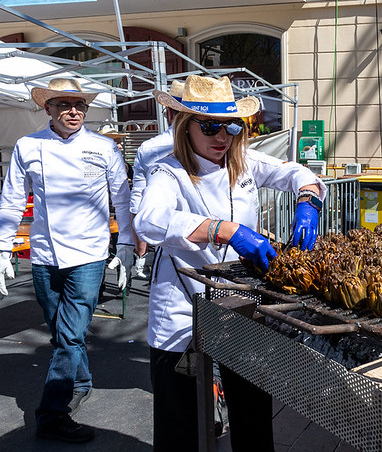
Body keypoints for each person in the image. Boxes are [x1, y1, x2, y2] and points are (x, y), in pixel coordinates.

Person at [133, 75, 326, 452]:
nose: (222, 136)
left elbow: (297, 172)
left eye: (232, 125)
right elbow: (148, 220)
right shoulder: (167, 171)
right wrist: (225, 230)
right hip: (183, 303)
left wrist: (308, 202)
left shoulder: (245, 160)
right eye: (209, 126)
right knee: (180, 422)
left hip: (240, 302)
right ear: (184, 126)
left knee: (252, 412)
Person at [0, 78, 134, 443]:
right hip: (45, 255)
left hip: (90, 253)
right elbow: (12, 199)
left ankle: (51, 414)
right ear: (48, 110)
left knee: (69, 335)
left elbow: (121, 200)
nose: (72, 111)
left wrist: (125, 245)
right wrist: (3, 247)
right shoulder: (28, 146)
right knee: (62, 332)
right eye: (63, 104)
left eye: (78, 105)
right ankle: (82, 380)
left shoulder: (104, 147)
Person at [128, 82, 180, 280]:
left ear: (168, 112)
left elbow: (137, 203)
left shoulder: (150, 148)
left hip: (165, 243)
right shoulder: (221, 145)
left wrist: (140, 251)